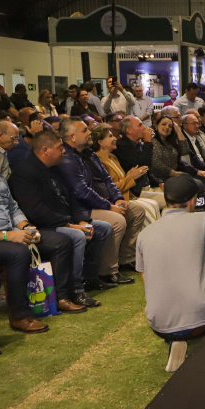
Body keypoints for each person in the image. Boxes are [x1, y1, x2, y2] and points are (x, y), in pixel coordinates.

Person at [0, 132, 78, 332]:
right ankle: (20, 315)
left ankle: (60, 298)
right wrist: (8, 236)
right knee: (18, 251)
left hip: (9, 234)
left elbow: (13, 209)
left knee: (60, 241)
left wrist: (26, 227)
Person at [137, 175, 205, 372]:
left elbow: (146, 278)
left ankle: (177, 337)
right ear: (192, 200)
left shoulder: (144, 234)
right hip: (200, 323)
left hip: (159, 325)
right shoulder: (202, 219)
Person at [11, 129, 110, 306]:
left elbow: (70, 198)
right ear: (45, 150)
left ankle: (89, 279)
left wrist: (79, 220)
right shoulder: (23, 173)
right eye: (59, 147)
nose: (64, 151)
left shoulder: (54, 168)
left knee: (102, 228)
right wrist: (70, 225)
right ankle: (76, 291)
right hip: (42, 226)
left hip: (64, 220)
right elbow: (36, 211)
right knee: (77, 236)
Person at [55, 118, 143, 285]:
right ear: (72, 137)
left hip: (96, 203)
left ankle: (126, 259)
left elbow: (107, 179)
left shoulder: (89, 153)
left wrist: (117, 198)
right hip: (80, 209)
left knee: (137, 211)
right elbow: (81, 192)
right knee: (117, 221)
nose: (90, 133)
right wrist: (109, 206)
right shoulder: (67, 158)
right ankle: (108, 271)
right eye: (85, 131)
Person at [92, 124, 162, 226]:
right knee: (148, 207)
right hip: (115, 201)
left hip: (127, 195)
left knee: (154, 204)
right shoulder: (99, 161)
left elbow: (121, 180)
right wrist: (131, 178)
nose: (115, 138)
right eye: (110, 136)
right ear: (100, 142)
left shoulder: (112, 157)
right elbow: (110, 188)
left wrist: (129, 175)